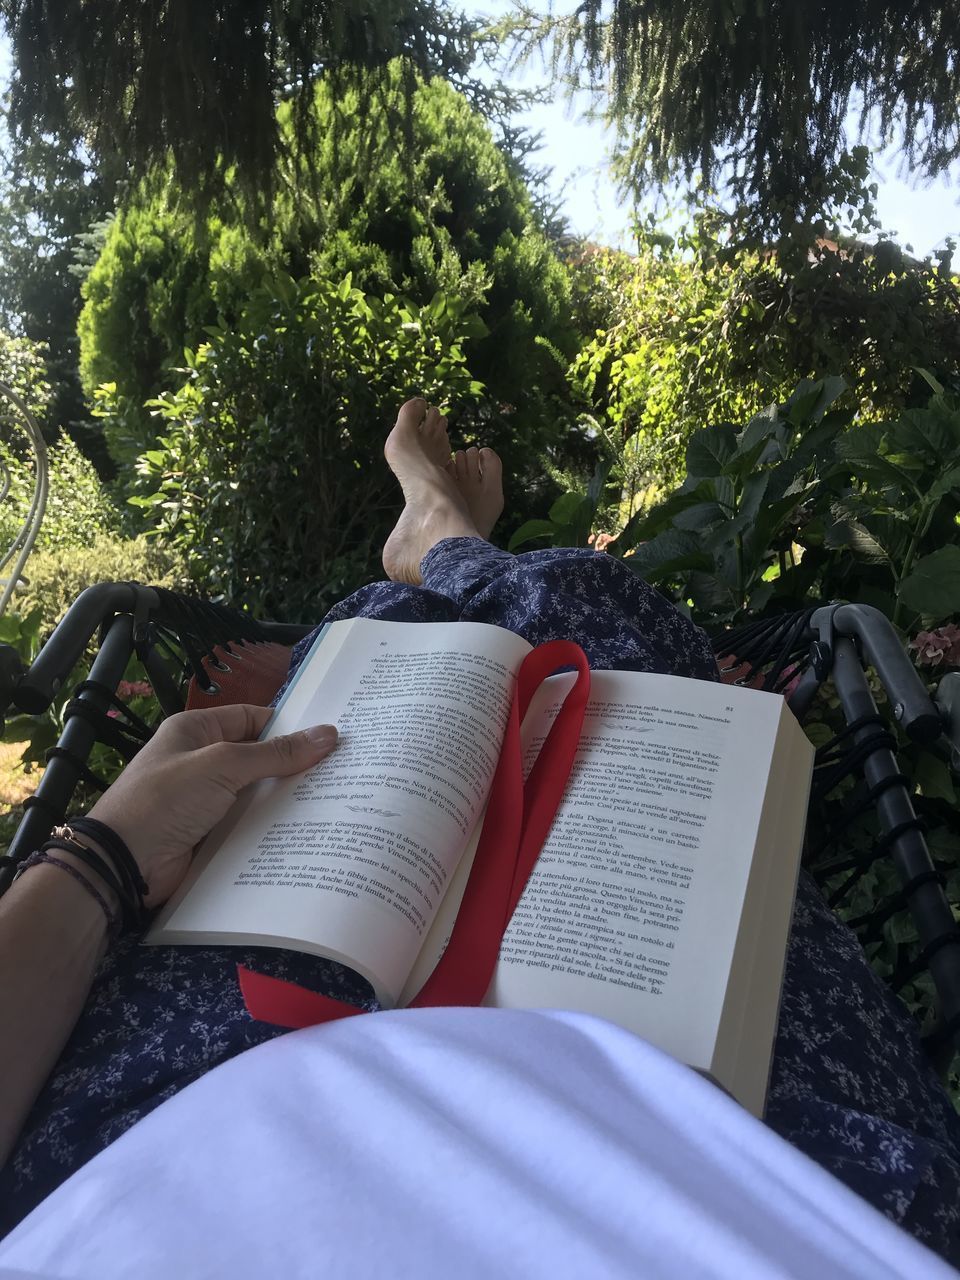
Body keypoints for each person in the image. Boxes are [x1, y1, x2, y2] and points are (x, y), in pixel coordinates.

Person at [0, 399, 958, 1278]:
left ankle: (430, 560)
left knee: (383, 656)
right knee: (623, 663)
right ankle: (451, 545)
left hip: (185, 1086)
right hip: (753, 1146)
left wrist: (109, 852)